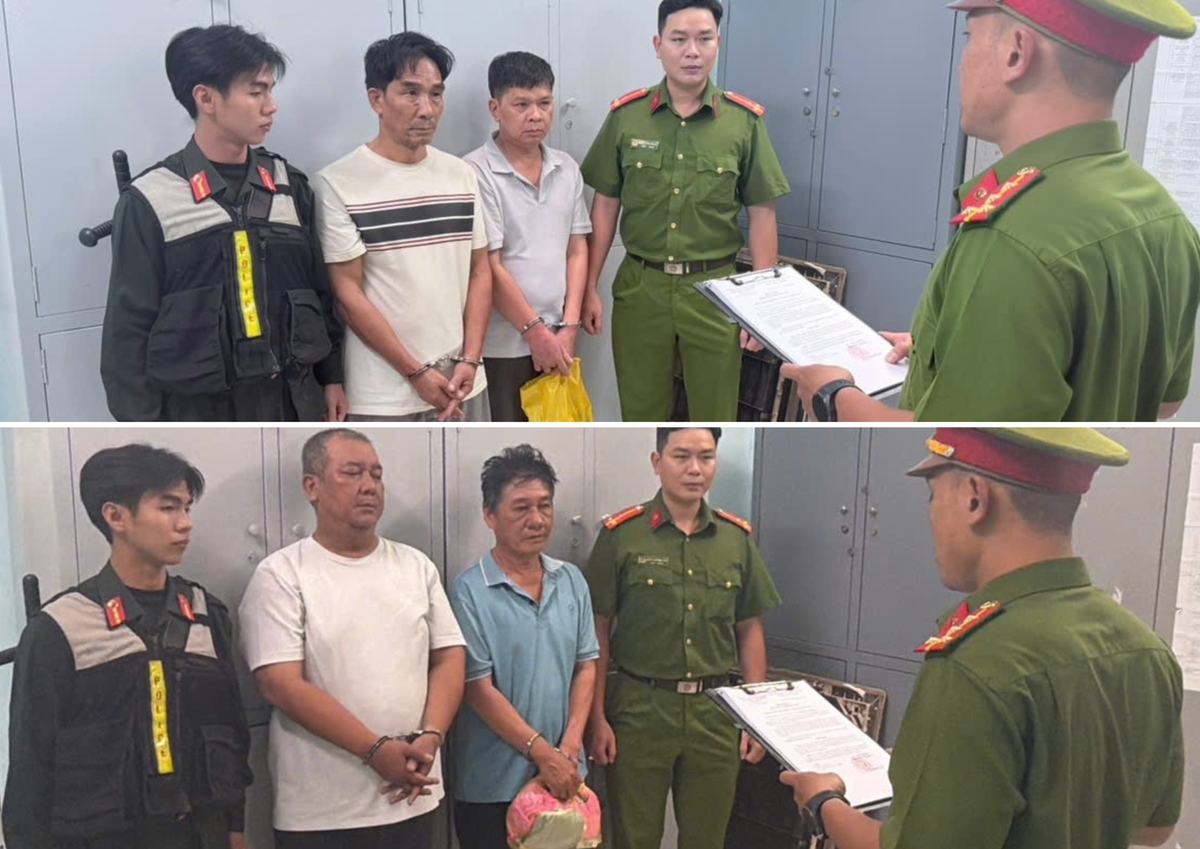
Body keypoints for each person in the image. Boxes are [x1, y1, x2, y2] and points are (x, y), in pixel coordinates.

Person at [784, 0, 1200, 423]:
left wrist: (832, 395)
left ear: (1016, 52)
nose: (962, 62)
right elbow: (1164, 401)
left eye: (970, 38)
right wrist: (944, 349)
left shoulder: (1012, 237)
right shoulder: (1165, 218)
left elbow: (955, 443)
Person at [781, 428, 1185, 849]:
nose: (931, 518)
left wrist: (823, 802)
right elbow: (1154, 828)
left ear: (975, 498)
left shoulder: (976, 662)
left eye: (933, 497)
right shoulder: (1146, 650)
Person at [3, 444, 252, 849]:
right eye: (168, 508)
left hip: (198, 833)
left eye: (187, 508)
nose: (185, 524)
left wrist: (236, 830)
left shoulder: (206, 613)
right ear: (116, 516)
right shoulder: (59, 628)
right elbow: (31, 768)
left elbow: (232, 730)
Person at [101, 24, 346, 423]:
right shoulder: (150, 201)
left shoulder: (289, 186)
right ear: (206, 98)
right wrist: (146, 423)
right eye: (256, 92)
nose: (271, 106)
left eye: (270, 91)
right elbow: (127, 334)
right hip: (199, 412)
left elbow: (320, 292)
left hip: (292, 401)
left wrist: (332, 377)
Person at [238, 429, 466, 849]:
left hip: (414, 797)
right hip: (323, 813)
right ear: (312, 487)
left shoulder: (415, 565)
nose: (369, 486)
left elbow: (449, 655)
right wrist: (374, 750)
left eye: (376, 475)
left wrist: (432, 735)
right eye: (352, 473)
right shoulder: (282, 574)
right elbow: (280, 684)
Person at [579, 0, 791, 422]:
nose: (692, 51)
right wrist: (588, 286)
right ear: (658, 45)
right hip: (642, 288)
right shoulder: (627, 118)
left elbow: (762, 213)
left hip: (715, 291)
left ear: (718, 44)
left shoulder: (743, 122)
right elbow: (604, 205)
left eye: (703, 39)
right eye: (678, 39)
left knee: (715, 415)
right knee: (642, 413)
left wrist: (760, 307)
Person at [584, 427, 782, 849]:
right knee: (636, 839)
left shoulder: (735, 539)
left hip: (715, 714)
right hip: (640, 711)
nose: (695, 469)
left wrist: (758, 719)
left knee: (707, 839)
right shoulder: (622, 535)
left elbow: (749, 628)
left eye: (706, 457)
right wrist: (597, 717)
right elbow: (597, 631)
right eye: (681, 457)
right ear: (657, 463)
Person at [314, 32, 492, 422]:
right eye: (411, 93)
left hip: (464, 383)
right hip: (384, 396)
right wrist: (415, 372)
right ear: (376, 99)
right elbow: (346, 295)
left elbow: (480, 270)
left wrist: (471, 359)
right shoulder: (339, 183)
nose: (427, 109)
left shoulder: (461, 174)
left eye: (436, 94)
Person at [448, 445, 600, 848]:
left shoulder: (571, 581)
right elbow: (477, 689)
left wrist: (569, 749)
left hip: (565, 780)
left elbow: (586, 665)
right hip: (492, 785)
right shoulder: (469, 591)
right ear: (490, 515)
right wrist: (544, 755)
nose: (537, 520)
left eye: (544, 506)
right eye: (521, 508)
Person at [463, 53, 592, 422]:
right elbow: (488, 265)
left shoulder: (566, 168)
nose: (536, 116)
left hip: (560, 335)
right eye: (521, 105)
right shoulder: (473, 171)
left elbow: (577, 249)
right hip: (503, 344)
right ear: (495, 108)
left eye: (544, 103)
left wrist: (569, 327)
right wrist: (536, 334)